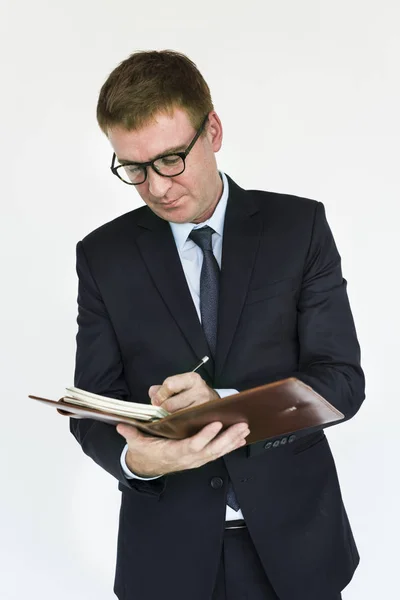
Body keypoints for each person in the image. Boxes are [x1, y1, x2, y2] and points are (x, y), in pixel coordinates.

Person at [70, 49, 365, 600]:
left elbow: (342, 382)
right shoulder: (103, 256)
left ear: (214, 130)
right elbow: (93, 406)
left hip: (297, 547)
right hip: (165, 556)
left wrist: (224, 404)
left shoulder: (298, 228)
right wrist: (138, 459)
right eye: (133, 169)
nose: (156, 187)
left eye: (170, 160)